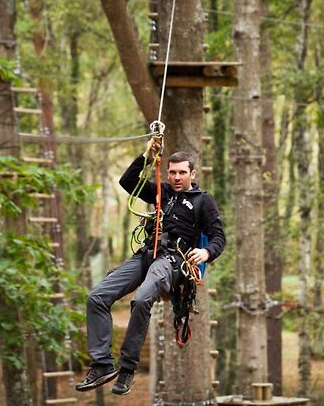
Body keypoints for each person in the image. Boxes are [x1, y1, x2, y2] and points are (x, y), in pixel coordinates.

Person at [75, 137, 225, 396]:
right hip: (146, 255)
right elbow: (127, 182)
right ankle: (101, 364)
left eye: (182, 173)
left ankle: (127, 369)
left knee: (142, 299)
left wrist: (205, 252)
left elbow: (219, 237)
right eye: (173, 172)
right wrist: (147, 155)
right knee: (97, 297)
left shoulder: (202, 201)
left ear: (192, 174)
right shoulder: (161, 192)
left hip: (172, 261)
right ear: (167, 173)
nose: (177, 177)